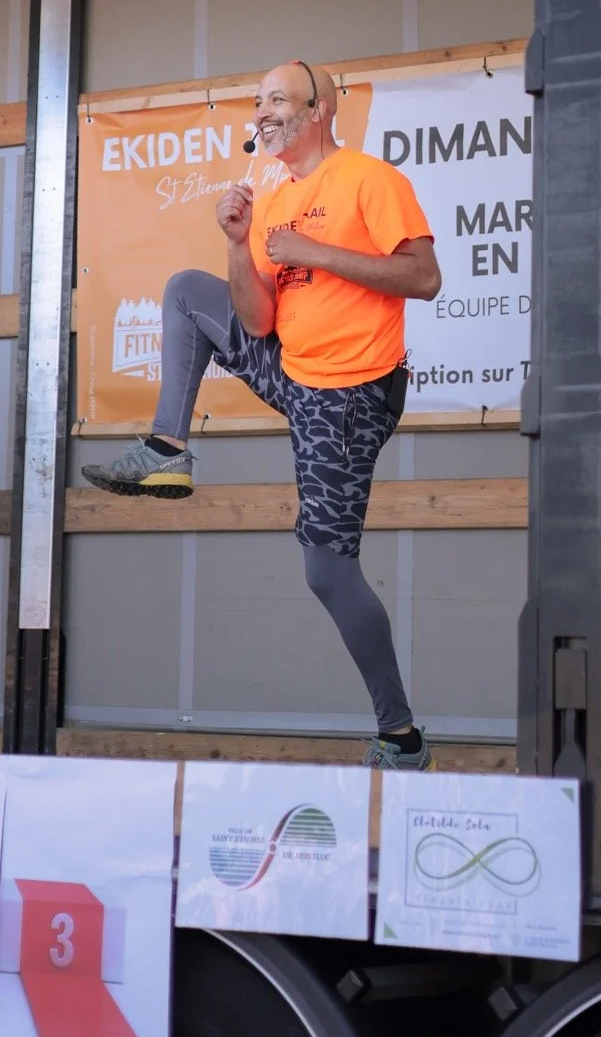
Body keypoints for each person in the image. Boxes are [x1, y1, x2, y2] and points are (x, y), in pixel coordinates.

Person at [82, 60, 442, 772]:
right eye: (257, 101)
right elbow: (255, 317)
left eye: (276, 99)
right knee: (189, 288)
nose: (262, 110)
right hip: (295, 373)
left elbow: (424, 278)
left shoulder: (368, 180)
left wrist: (315, 252)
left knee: (326, 568)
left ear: (318, 110)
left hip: (350, 393)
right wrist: (234, 241)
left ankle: (400, 737)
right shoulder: (272, 196)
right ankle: (166, 450)